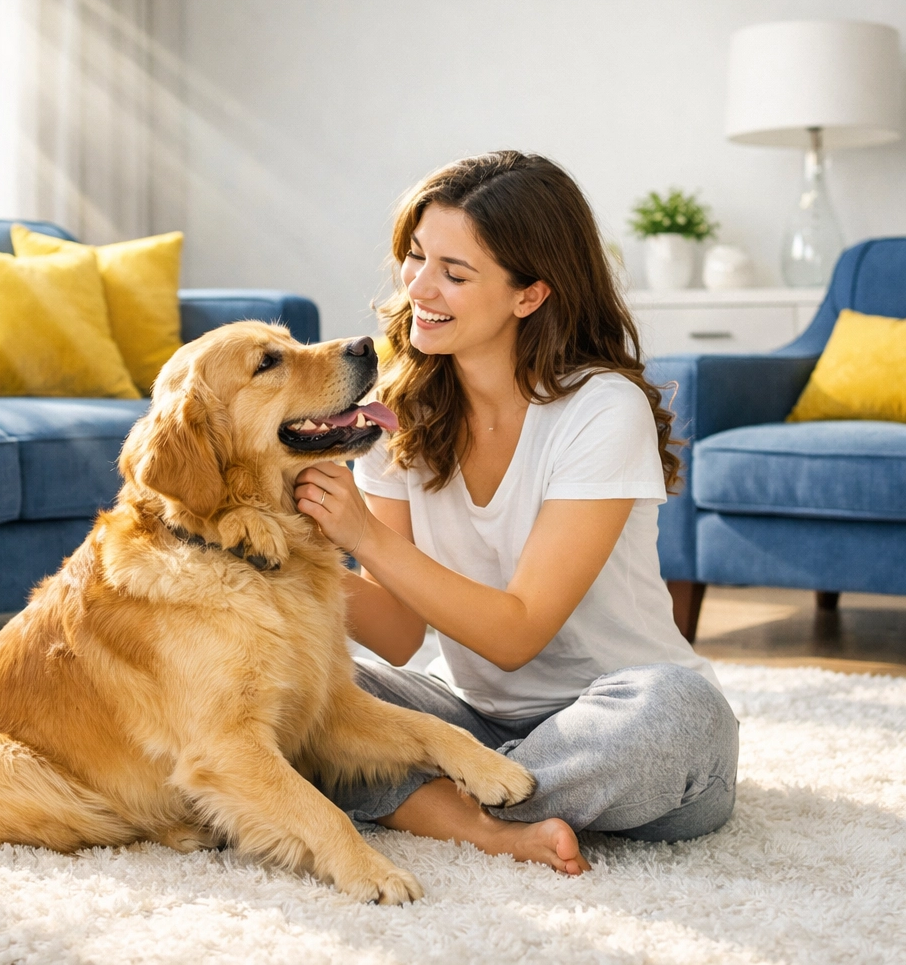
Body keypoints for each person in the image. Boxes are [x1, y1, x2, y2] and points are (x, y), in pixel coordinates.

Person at [293, 151, 738, 877]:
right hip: (472, 724)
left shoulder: (600, 409)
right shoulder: (394, 413)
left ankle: (445, 806)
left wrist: (360, 534)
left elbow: (516, 634)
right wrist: (273, 554)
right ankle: (496, 824)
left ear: (529, 295)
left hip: (620, 721)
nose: (419, 288)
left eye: (454, 273)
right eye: (414, 258)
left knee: (682, 713)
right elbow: (401, 636)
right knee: (308, 691)